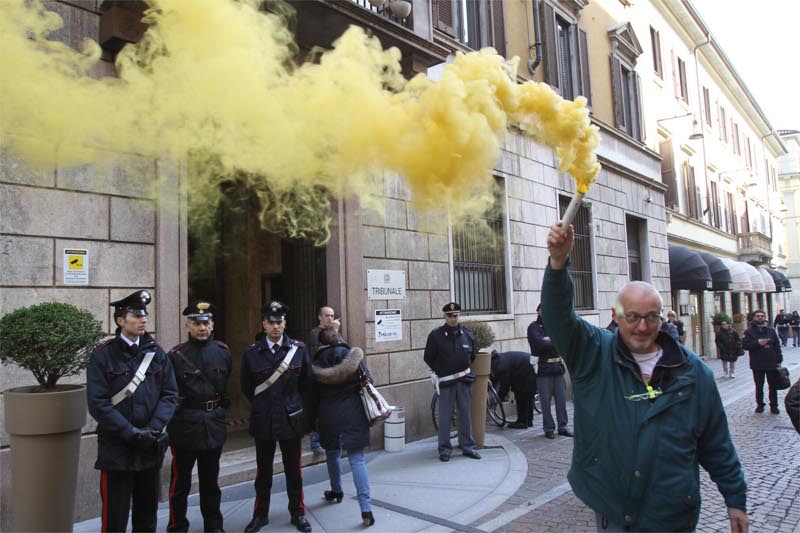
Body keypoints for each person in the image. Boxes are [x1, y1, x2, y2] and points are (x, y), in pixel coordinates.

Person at [544, 221, 748, 532]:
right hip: (614, 510)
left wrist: (735, 497)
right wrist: (558, 264)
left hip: (672, 514)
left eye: (651, 317)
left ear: (662, 317)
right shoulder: (593, 354)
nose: (642, 327)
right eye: (633, 317)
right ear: (616, 316)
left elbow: (716, 442)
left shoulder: (695, 373)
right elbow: (558, 317)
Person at [87, 290, 179, 533]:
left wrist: (151, 430)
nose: (143, 320)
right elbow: (98, 404)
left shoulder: (156, 354)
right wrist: (130, 433)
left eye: (145, 315)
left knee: (147, 515)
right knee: (115, 518)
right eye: (136, 315)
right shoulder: (103, 355)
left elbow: (170, 394)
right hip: (117, 448)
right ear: (120, 320)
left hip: (149, 447)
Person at [240, 301, 314, 533]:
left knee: (294, 470)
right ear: (263, 324)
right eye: (271, 322)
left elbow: (307, 385)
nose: (275, 326)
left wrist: (306, 418)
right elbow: (246, 386)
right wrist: (264, 406)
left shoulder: (299, 350)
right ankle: (260, 514)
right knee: (263, 473)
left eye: (279, 322)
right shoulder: (251, 353)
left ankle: (298, 512)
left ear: (285, 323)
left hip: (290, 418)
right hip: (264, 420)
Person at [166, 302, 232, 533]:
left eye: (206, 323)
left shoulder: (223, 352)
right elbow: (169, 393)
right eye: (196, 323)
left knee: (211, 482)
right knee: (180, 482)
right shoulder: (175, 356)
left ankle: (214, 526)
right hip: (184, 426)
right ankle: (177, 526)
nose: (202, 328)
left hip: (212, 424)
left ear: (212, 324)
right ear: (187, 326)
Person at [311, 328, 375, 527]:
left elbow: (311, 396)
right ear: (339, 339)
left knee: (332, 453)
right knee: (357, 460)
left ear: (320, 344)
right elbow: (369, 382)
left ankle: (336, 490)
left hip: (328, 415)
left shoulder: (316, 363)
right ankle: (366, 510)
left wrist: (312, 423)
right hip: (353, 413)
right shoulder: (352, 357)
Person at [423, 302, 481, 462]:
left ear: (459, 315)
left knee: (465, 415)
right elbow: (428, 357)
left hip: (464, 381)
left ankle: (467, 446)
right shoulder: (436, 336)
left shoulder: (468, 334)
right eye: (450, 315)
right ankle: (444, 449)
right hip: (446, 382)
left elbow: (472, 356)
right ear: (444, 316)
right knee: (445, 417)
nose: (453, 318)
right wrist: (441, 370)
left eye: (455, 315)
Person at [528, 304, 572, 439]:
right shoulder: (534, 327)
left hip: (558, 368)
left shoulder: (556, 326)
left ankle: (563, 427)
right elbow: (539, 345)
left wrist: (549, 340)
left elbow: (564, 341)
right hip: (544, 368)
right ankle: (549, 428)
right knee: (545, 402)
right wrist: (553, 340)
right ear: (539, 311)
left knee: (561, 400)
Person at [308, 306, 345, 455]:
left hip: (335, 377)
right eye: (327, 315)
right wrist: (334, 332)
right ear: (320, 317)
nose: (330, 318)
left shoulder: (334, 332)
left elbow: (342, 348)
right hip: (320, 376)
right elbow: (321, 350)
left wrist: (336, 333)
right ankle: (315, 441)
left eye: (332, 315)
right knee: (319, 409)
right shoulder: (315, 332)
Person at [743, 309, 783, 415]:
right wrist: (757, 343)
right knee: (759, 386)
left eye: (762, 316)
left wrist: (779, 360)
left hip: (771, 362)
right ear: (754, 318)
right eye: (757, 316)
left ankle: (774, 406)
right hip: (757, 363)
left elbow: (777, 346)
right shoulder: (749, 331)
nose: (760, 317)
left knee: (773, 386)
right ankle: (760, 405)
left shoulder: (771, 330)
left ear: (765, 317)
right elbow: (745, 346)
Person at [490, 350, 537, 428]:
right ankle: (528, 420)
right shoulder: (500, 358)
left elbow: (504, 387)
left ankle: (522, 422)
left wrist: (498, 400)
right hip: (531, 366)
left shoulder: (499, 367)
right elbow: (495, 380)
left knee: (521, 395)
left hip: (525, 371)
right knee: (528, 396)